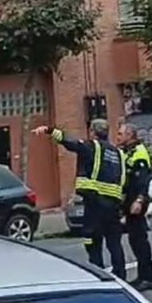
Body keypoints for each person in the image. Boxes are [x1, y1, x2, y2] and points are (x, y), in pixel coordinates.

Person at [33, 120, 127, 280]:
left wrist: (49, 130)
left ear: (92, 132)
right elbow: (123, 180)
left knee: (91, 239)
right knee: (114, 242)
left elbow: (71, 143)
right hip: (113, 205)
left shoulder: (92, 147)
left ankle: (98, 274)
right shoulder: (118, 153)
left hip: (95, 202)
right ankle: (121, 275)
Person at [117, 124, 152, 291]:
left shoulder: (139, 153)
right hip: (129, 201)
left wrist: (139, 201)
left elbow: (143, 181)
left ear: (130, 135)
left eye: (120, 134)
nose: (118, 137)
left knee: (140, 240)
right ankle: (142, 277)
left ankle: (147, 278)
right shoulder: (128, 152)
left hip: (136, 202)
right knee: (134, 239)